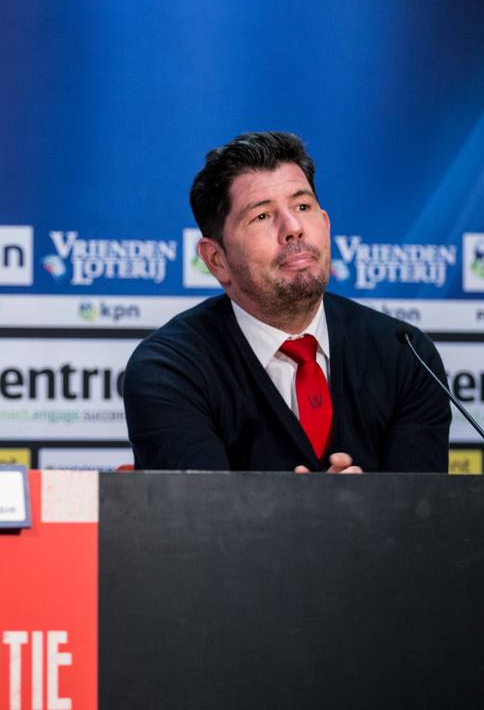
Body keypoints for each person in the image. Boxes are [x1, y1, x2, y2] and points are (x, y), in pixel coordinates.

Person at [123, 131, 449, 473]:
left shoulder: (406, 354)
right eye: (262, 216)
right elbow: (194, 519)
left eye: (303, 206)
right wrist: (328, 512)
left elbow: (424, 518)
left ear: (325, 224)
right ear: (216, 259)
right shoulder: (170, 369)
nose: (293, 228)